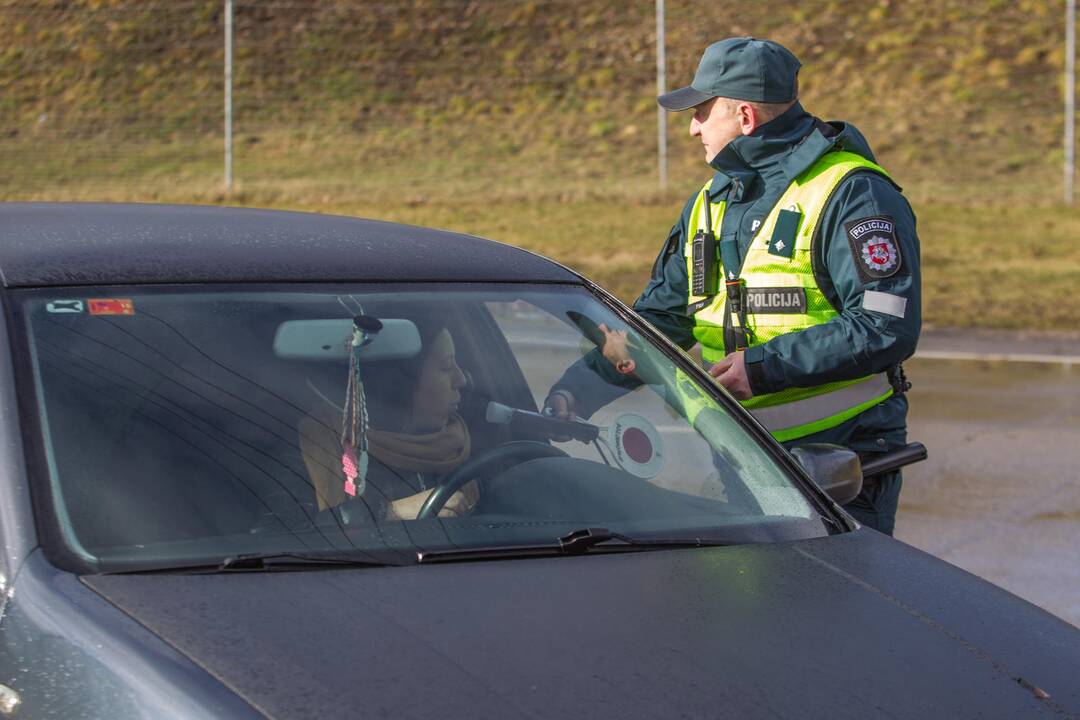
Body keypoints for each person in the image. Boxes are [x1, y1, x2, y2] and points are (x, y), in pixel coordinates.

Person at [546, 37, 921, 535]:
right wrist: (579, 389)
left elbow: (883, 325)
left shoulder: (852, 193)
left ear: (744, 117)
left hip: (841, 469)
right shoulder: (712, 200)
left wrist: (762, 368)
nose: (691, 127)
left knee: (828, 609)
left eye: (702, 112)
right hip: (743, 462)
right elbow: (662, 321)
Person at [299, 317, 477, 522]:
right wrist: (390, 512)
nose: (462, 379)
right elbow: (278, 533)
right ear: (400, 384)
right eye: (446, 367)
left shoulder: (467, 442)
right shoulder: (311, 447)